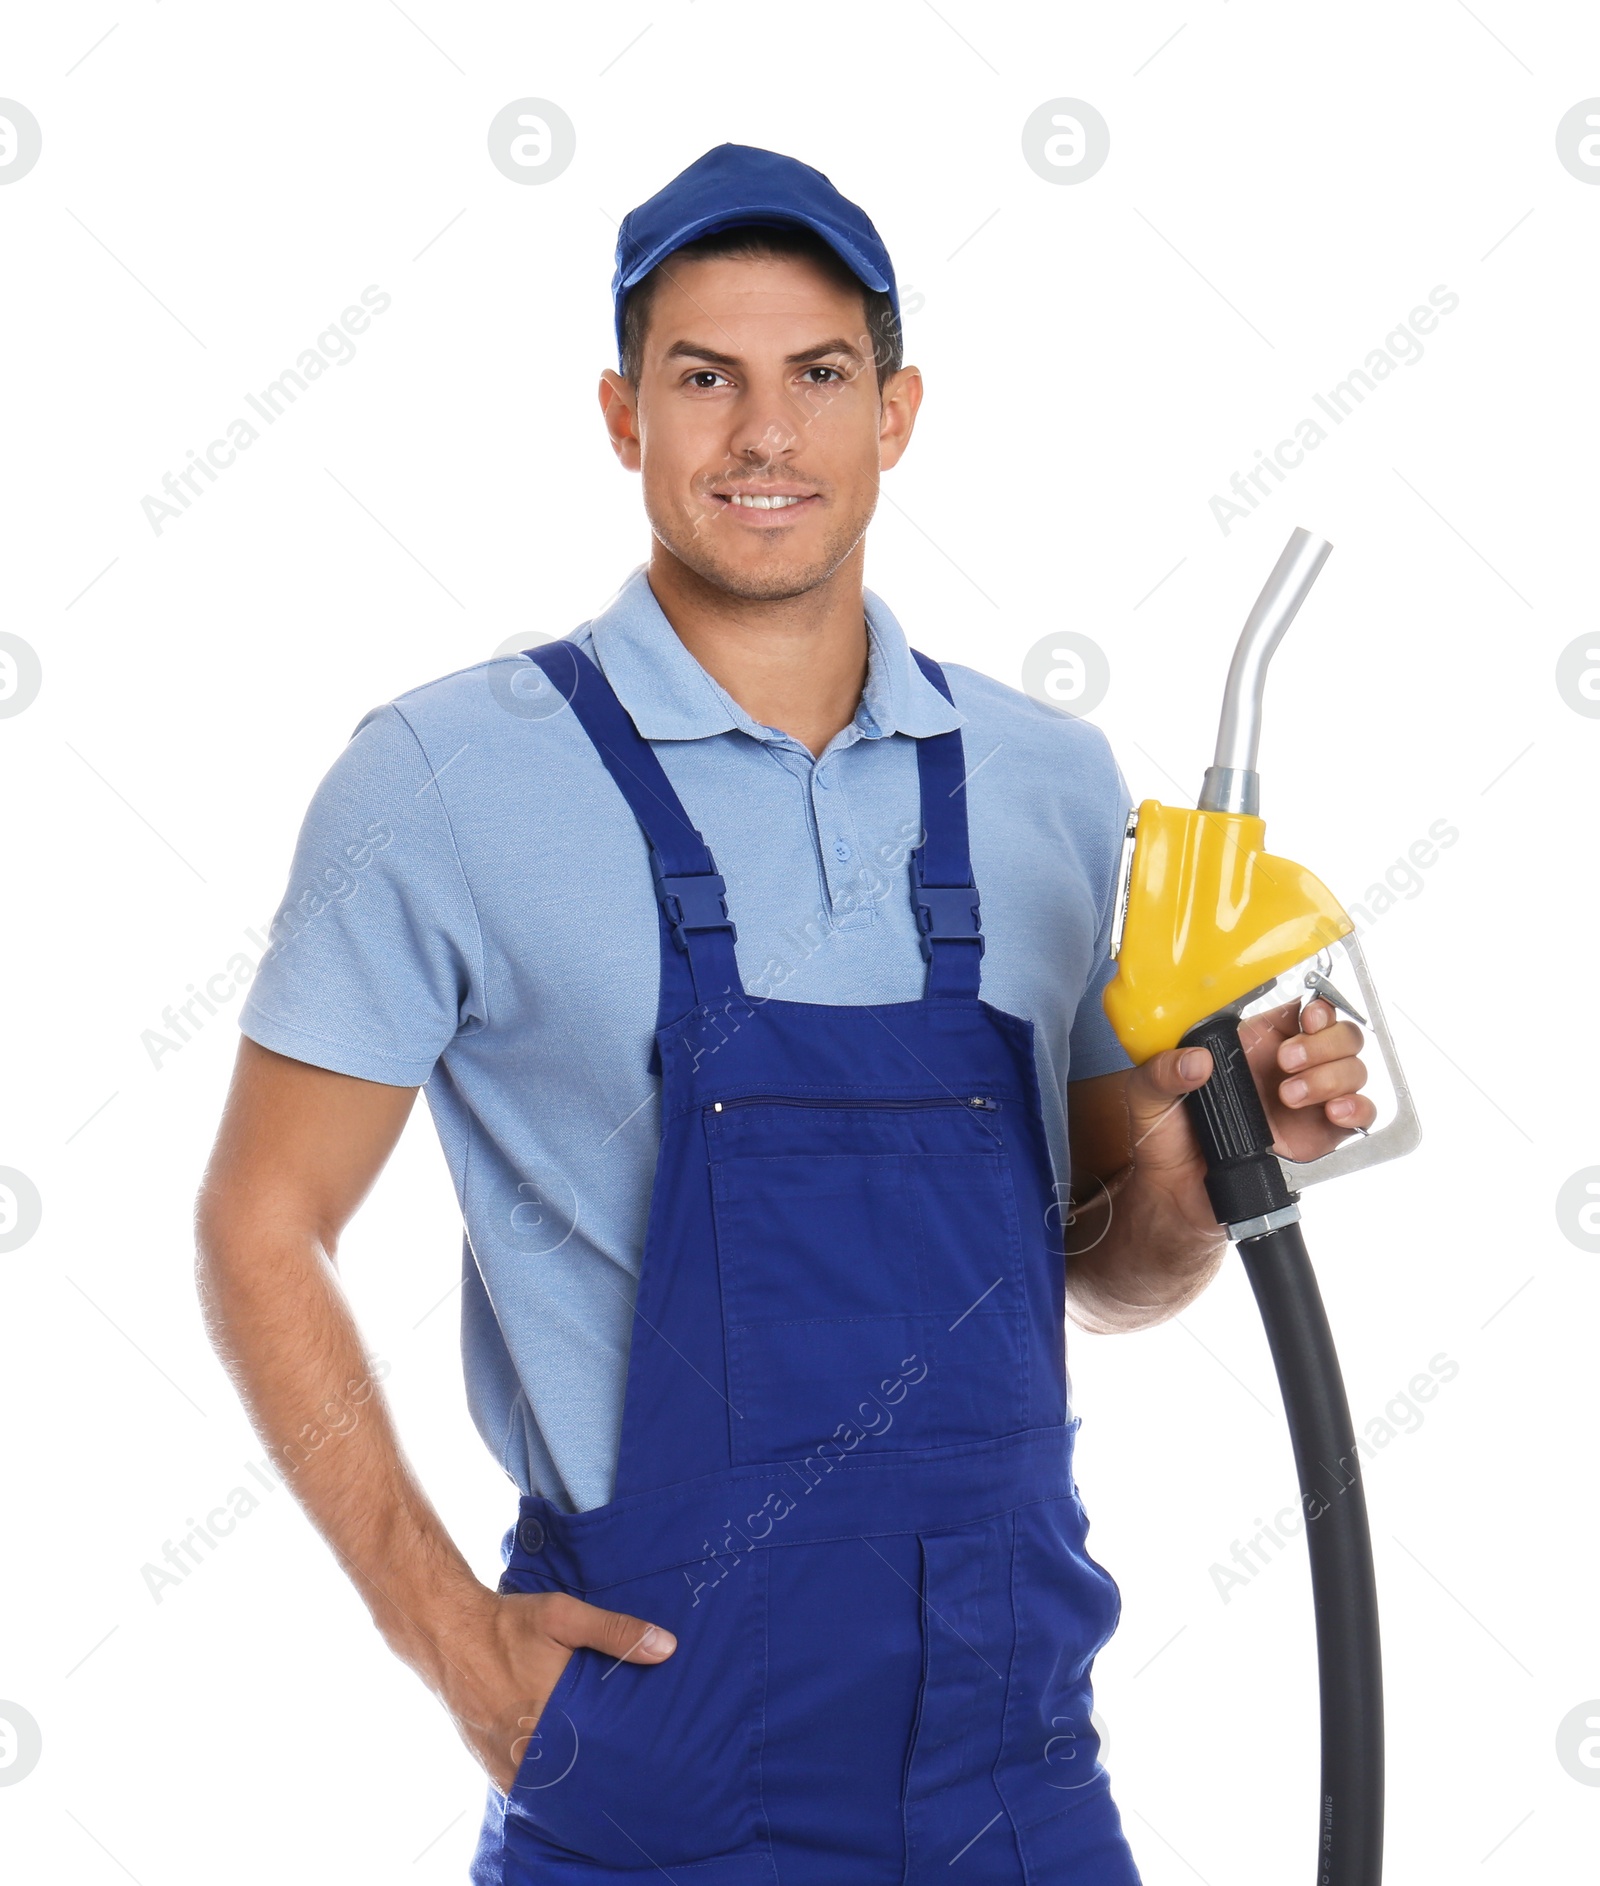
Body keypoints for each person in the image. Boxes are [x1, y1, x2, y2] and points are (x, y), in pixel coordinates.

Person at [195, 143, 1373, 1884]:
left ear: (895, 412)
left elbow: (1107, 1268)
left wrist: (1209, 1171)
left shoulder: (1048, 784)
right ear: (623, 414)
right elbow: (258, 1224)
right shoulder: (446, 778)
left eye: (819, 375)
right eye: (705, 378)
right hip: (656, 1767)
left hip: (1018, 1768)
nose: (766, 434)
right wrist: (454, 1642)